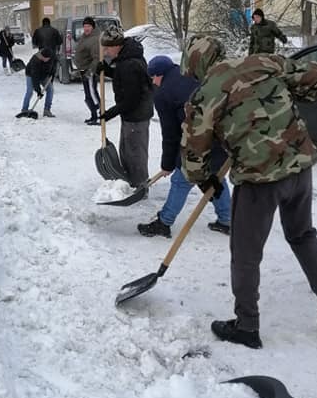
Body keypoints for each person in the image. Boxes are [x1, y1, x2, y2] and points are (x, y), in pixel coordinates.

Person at [180, 35, 317, 349]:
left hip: (259, 180)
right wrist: (295, 95)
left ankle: (246, 327)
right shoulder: (263, 61)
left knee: (245, 254)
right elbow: (315, 76)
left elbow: (193, 150)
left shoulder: (205, 95)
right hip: (300, 166)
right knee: (303, 235)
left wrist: (204, 179)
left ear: (195, 64)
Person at [137, 55, 231, 239]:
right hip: (221, 134)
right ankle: (227, 220)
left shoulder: (164, 94)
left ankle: (164, 223)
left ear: (158, 76)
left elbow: (170, 134)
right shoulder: (190, 75)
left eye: (153, 78)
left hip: (198, 141)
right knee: (214, 177)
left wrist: (168, 164)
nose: (153, 82)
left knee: (181, 180)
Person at [96, 26, 154, 190]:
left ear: (116, 45)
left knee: (135, 153)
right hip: (134, 113)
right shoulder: (127, 58)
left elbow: (132, 98)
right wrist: (108, 71)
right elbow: (125, 80)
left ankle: (140, 185)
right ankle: (132, 181)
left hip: (136, 114)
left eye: (107, 48)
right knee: (128, 150)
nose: (106, 52)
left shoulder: (129, 63)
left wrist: (110, 113)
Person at [74, 16, 101, 125]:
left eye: (88, 26)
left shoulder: (95, 39)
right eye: (84, 26)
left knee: (92, 94)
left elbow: (97, 57)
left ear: (93, 27)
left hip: (89, 71)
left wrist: (90, 71)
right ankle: (93, 115)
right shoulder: (84, 37)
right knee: (88, 95)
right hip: (83, 70)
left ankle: (100, 116)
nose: (86, 28)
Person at [17, 46, 55, 118]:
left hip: (44, 74)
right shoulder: (35, 60)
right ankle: (24, 110)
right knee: (29, 91)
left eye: (46, 59)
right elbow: (35, 77)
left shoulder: (51, 56)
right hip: (31, 75)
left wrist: (52, 73)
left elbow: (53, 65)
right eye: (43, 58)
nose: (44, 60)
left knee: (50, 90)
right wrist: (38, 91)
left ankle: (47, 110)